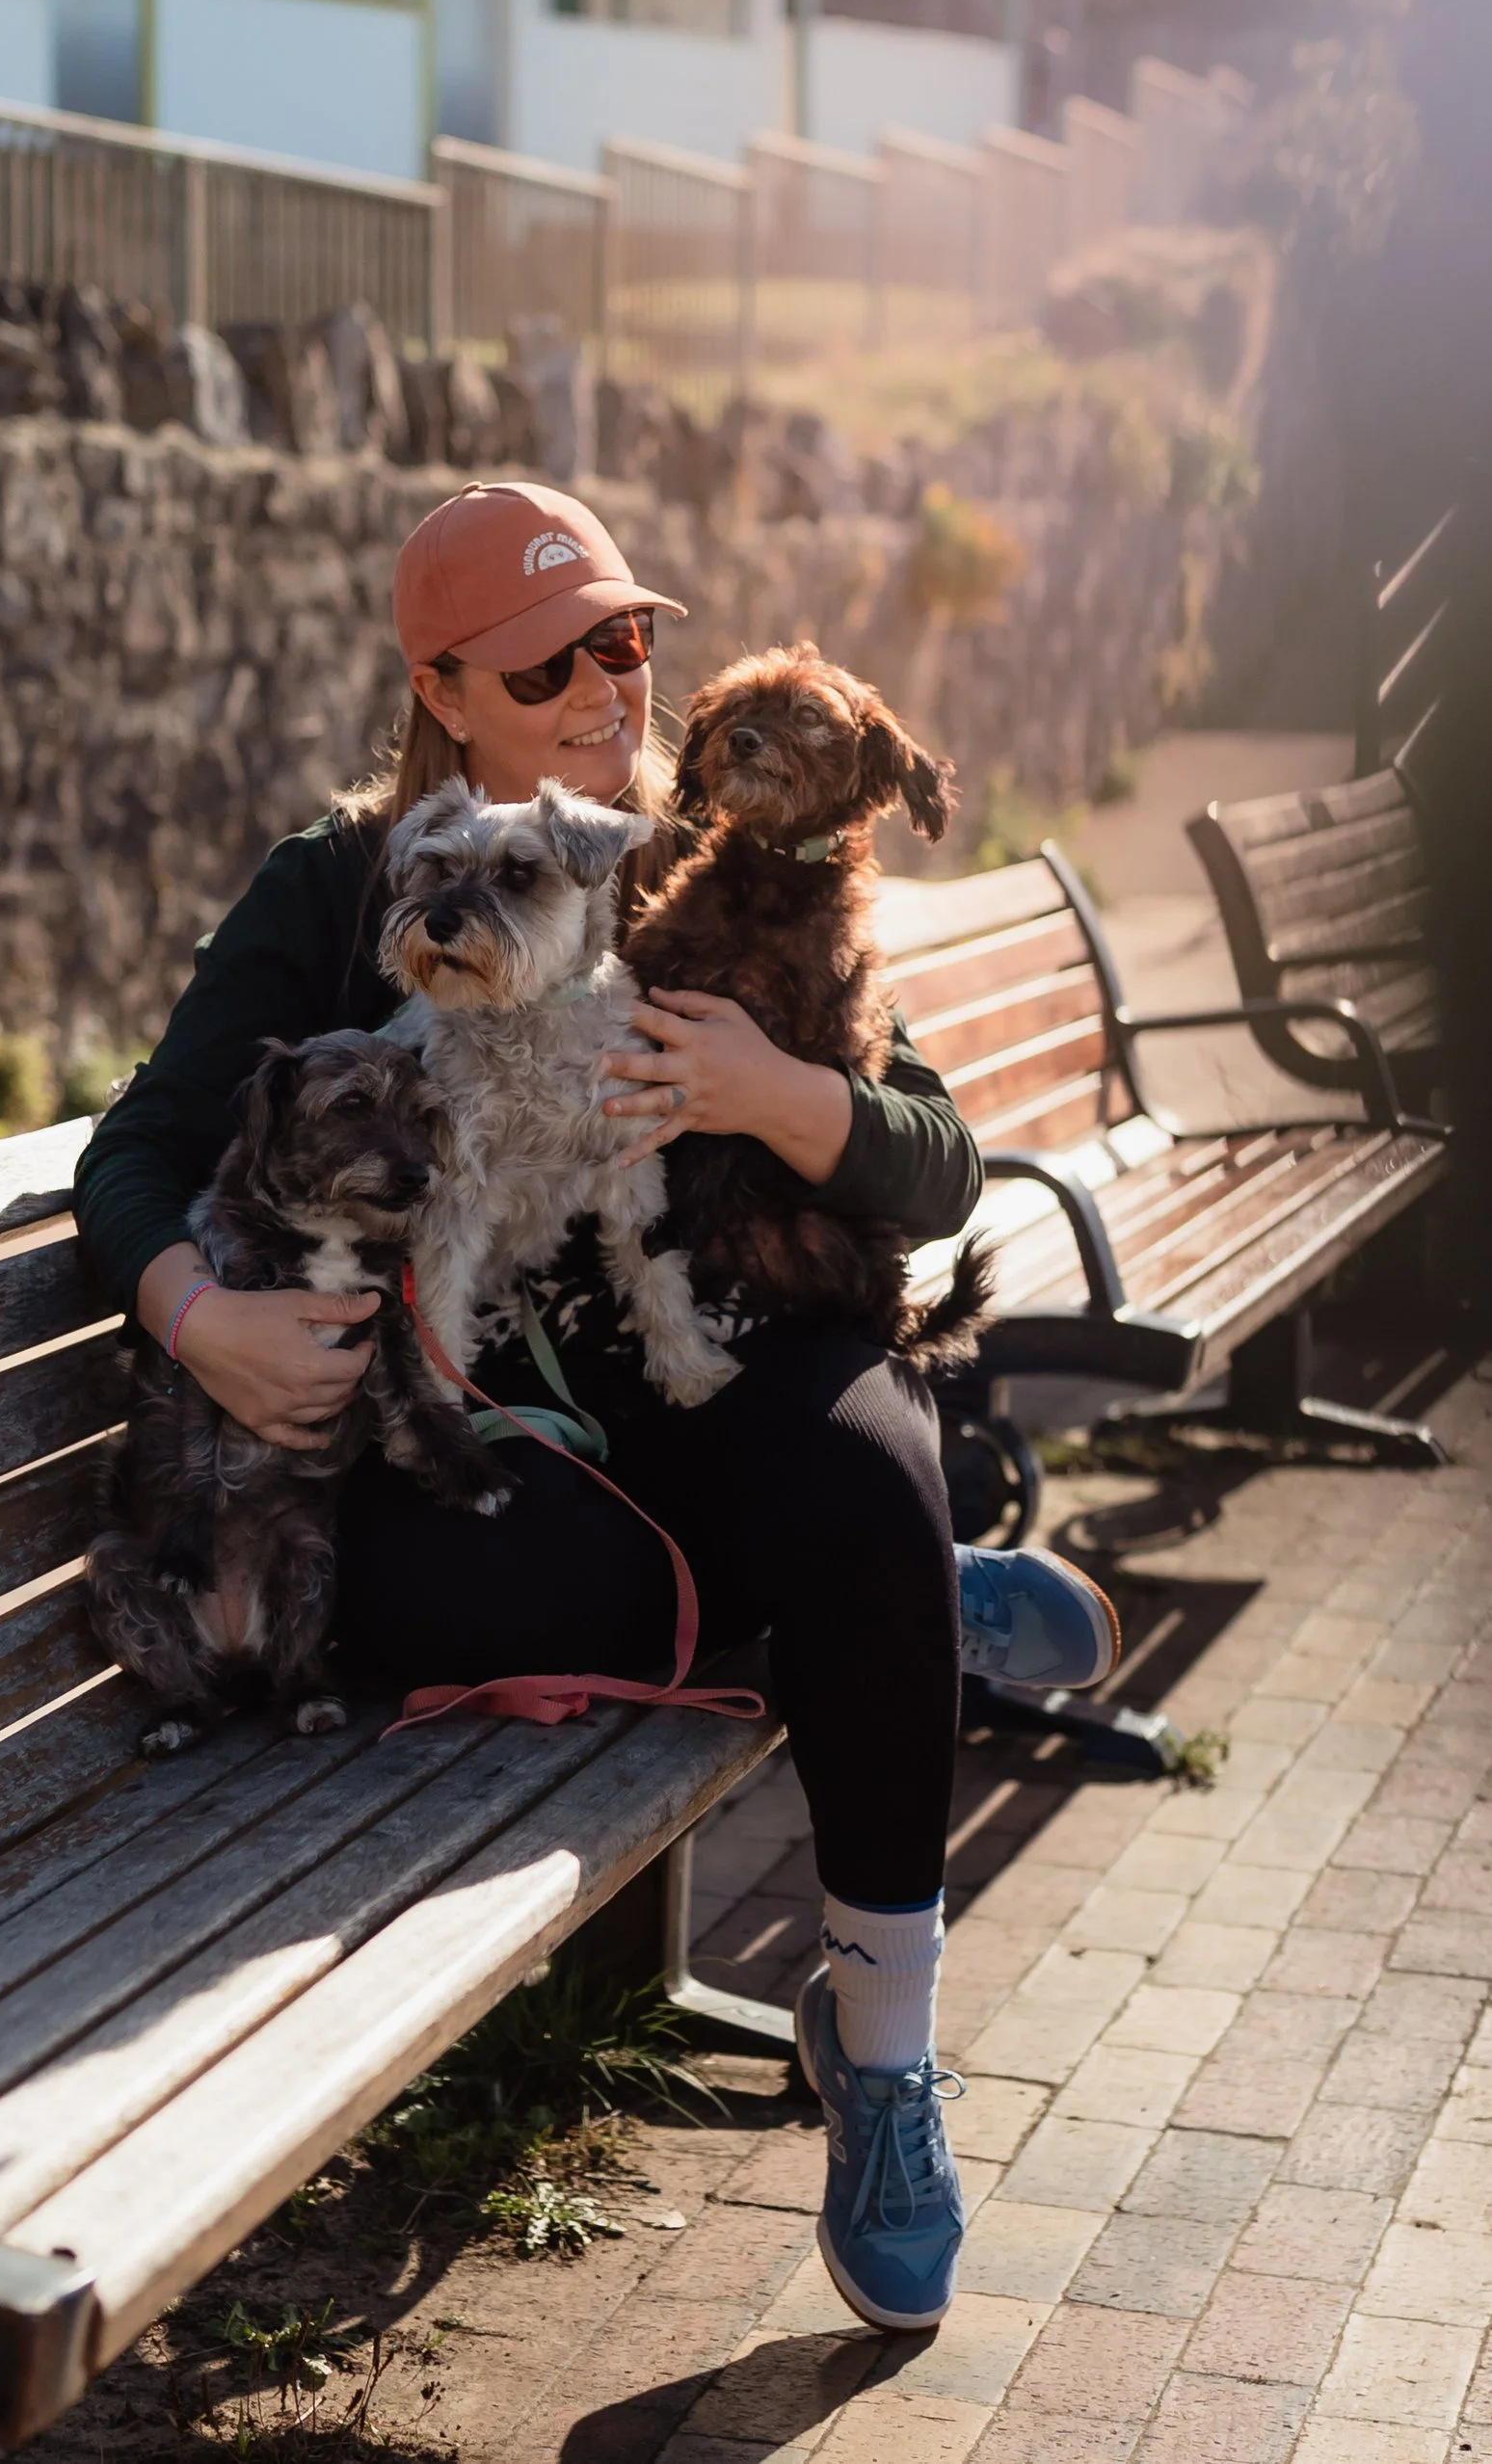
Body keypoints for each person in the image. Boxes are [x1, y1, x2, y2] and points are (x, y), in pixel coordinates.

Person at [76, 480, 1118, 2333]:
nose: (609, 682)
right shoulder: (343, 883)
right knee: (465, 1590)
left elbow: (943, 1159)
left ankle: (882, 2049)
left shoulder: (717, 852)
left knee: (872, 1473)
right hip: (505, 1437)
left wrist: (780, 1098)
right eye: (553, 655)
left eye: (631, 637)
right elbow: (135, 1152)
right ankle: (888, 1615)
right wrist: (201, 1319)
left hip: (718, 1348)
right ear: (444, 689)